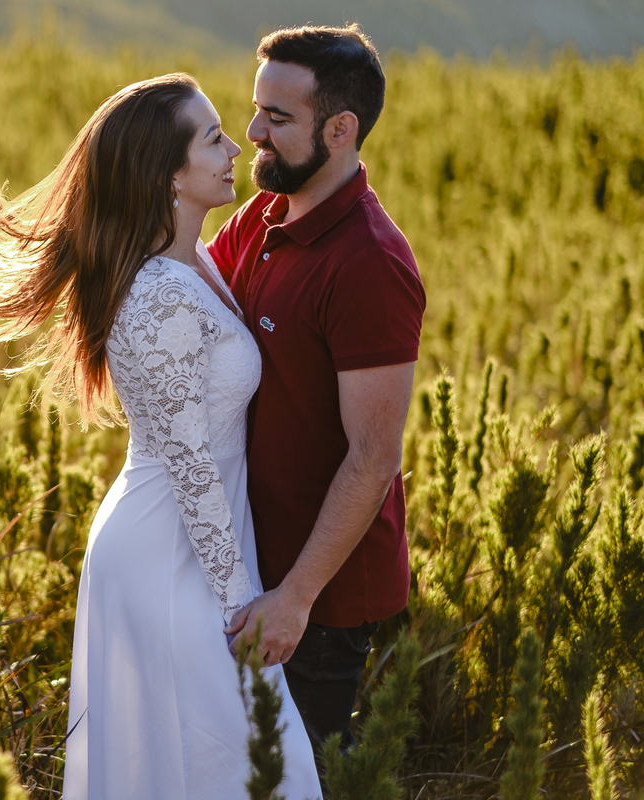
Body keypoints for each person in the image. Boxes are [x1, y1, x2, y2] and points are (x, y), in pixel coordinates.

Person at [0, 74, 322, 799]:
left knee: (229, 763)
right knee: (240, 760)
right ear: (167, 174)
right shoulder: (159, 294)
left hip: (193, 543)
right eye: (212, 138)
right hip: (168, 554)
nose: (235, 145)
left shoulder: (197, 263)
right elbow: (188, 462)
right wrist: (243, 606)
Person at [210, 25, 426, 769]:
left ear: (340, 130)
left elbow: (373, 458)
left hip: (322, 596)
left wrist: (297, 597)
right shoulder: (266, 214)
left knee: (303, 777)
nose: (252, 133)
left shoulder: (369, 264)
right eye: (255, 109)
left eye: (278, 118)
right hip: (254, 566)